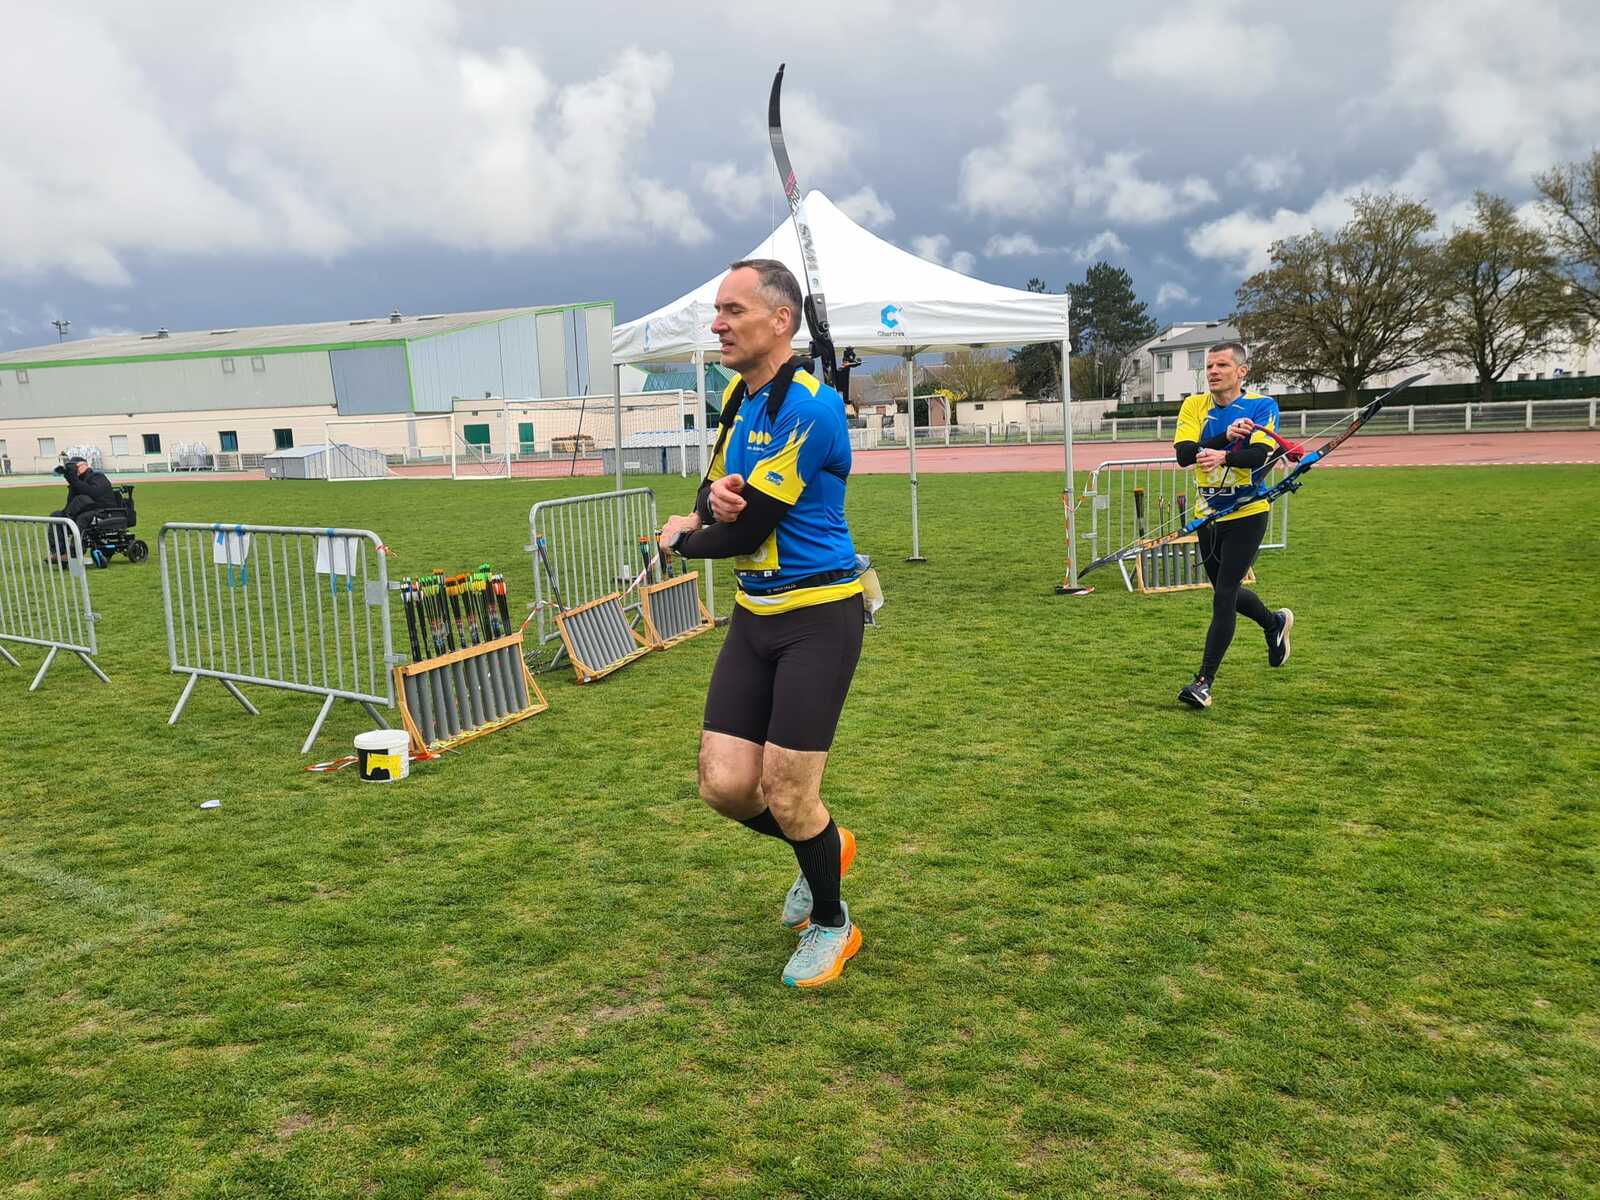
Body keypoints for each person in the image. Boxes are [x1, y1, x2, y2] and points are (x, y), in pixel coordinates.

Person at [658, 258, 866, 989]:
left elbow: (748, 530)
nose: (718, 323)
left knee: (787, 790)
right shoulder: (737, 398)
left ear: (781, 321)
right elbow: (716, 492)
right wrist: (705, 507)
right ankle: (827, 847)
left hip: (819, 615)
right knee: (723, 785)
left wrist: (682, 541)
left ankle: (833, 926)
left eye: (733, 310)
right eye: (717, 310)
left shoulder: (811, 407)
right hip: (755, 613)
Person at [1171, 341, 1293, 709]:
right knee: (1226, 591)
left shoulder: (1262, 406)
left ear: (1241, 371)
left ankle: (1203, 683)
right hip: (1208, 514)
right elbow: (1185, 455)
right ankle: (1273, 623)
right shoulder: (1194, 406)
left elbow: (1259, 454)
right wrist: (1225, 438)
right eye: (1209, 366)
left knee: (1224, 594)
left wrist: (1224, 456)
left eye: (1222, 365)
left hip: (1247, 513)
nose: (1213, 371)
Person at [48, 456, 119, 563]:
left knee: (82, 518)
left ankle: (73, 553)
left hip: (104, 510)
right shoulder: (76, 481)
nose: (74, 470)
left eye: (75, 467)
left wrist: (74, 481)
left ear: (84, 465)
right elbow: (71, 502)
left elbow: (92, 493)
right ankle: (59, 553)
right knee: (56, 516)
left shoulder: (97, 476)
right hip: (84, 510)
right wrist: (72, 481)